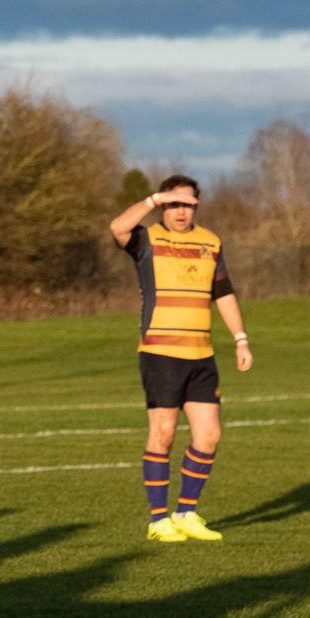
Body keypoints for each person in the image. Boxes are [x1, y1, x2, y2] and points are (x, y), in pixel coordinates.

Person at [108, 175, 252, 542]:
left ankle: (186, 513)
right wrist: (152, 200)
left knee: (209, 435)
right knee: (164, 433)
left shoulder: (210, 243)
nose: (181, 211)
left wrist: (241, 340)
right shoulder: (147, 239)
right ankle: (158, 521)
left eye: (187, 204)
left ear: (196, 206)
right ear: (164, 205)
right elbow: (117, 228)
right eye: (173, 204)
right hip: (161, 353)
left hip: (201, 355)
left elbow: (224, 293)